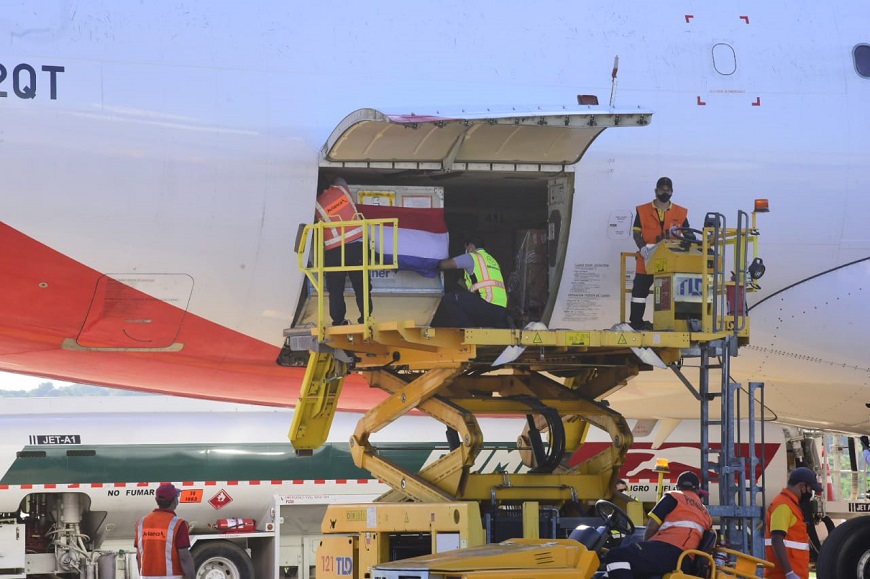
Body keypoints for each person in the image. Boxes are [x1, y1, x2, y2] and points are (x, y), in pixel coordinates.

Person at [603, 471, 713, 578]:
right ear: (697, 490)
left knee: (616, 555)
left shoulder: (674, 496)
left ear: (677, 486)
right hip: (686, 561)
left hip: (668, 553)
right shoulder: (705, 513)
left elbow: (652, 526)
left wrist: (645, 547)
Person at [629, 176, 691, 330]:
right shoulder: (643, 210)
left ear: (672, 192)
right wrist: (642, 247)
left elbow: (688, 234)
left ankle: (670, 324)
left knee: (669, 294)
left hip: (669, 261)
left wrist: (695, 242)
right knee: (639, 293)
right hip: (647, 258)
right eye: (662, 190)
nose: (665, 192)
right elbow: (636, 232)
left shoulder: (680, 212)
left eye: (668, 190)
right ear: (655, 191)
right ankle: (636, 323)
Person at [314, 177, 371, 325]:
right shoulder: (341, 189)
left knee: (335, 289)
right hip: (357, 246)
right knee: (361, 285)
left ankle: (338, 320)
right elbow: (341, 179)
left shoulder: (315, 205)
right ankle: (366, 318)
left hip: (335, 251)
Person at [434, 235, 510, 328]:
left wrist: (430, 259)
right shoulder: (493, 261)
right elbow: (477, 286)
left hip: (486, 306)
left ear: (471, 246)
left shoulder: (472, 257)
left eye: (466, 248)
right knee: (465, 299)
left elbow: (443, 265)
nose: (466, 251)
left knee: (450, 298)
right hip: (501, 312)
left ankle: (469, 328)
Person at [764, 467, 822, 579]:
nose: (810, 493)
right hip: (782, 576)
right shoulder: (783, 506)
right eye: (810, 489)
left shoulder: (791, 505)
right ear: (801, 486)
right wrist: (789, 573)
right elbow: (776, 539)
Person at [134, 483, 196, 579]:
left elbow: (138, 556)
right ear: (175, 501)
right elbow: (184, 557)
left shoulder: (141, 523)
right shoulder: (178, 524)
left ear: (156, 500)